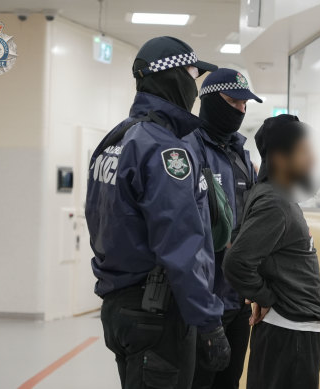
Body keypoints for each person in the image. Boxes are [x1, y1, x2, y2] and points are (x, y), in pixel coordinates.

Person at [85, 36, 230, 389]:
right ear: (174, 77)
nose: (194, 90)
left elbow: (96, 217)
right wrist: (209, 322)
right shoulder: (165, 151)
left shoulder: (117, 139)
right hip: (158, 313)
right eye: (192, 76)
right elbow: (181, 246)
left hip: (120, 306)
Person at [223, 114, 320, 389]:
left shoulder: (274, 196)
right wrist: (266, 296)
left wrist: (264, 294)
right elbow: (237, 262)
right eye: (304, 152)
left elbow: (241, 243)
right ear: (280, 158)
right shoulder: (275, 203)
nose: (312, 160)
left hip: (288, 331)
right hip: (289, 334)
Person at [184, 69, 262, 389]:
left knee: (230, 381)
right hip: (204, 303)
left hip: (239, 302)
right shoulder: (188, 149)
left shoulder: (242, 156)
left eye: (245, 106)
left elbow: (254, 222)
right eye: (233, 102)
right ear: (212, 101)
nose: (240, 112)